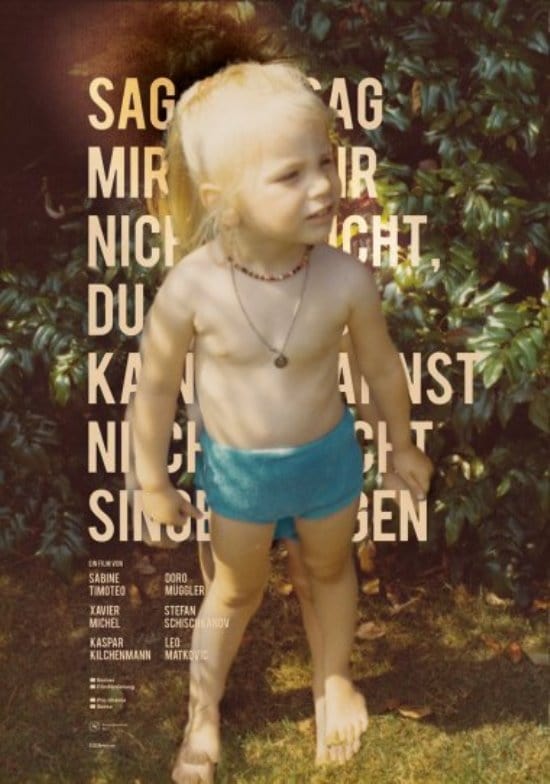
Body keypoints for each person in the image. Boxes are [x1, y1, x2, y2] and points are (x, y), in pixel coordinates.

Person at [130, 61, 433, 783]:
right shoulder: (192, 287)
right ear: (224, 202)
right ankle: (202, 712)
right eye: (290, 174)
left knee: (329, 569)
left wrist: (401, 445)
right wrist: (151, 481)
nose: (323, 185)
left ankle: (335, 680)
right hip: (241, 475)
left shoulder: (345, 279)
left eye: (324, 162)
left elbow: (381, 369)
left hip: (327, 462)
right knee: (236, 590)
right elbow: (156, 388)